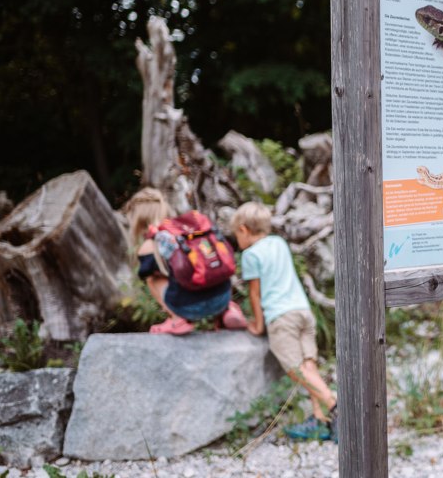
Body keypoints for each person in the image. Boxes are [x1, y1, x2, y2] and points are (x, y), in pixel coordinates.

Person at [229, 201, 339, 442]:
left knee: (295, 368)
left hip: (282, 318)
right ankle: (321, 420)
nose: (237, 239)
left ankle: (335, 407)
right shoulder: (279, 243)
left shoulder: (250, 255)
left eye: (237, 233)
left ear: (244, 230)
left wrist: (258, 325)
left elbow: (255, 294)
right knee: (309, 366)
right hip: (303, 312)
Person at [123, 187, 247, 336]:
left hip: (188, 308)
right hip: (222, 298)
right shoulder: (190, 232)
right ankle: (227, 310)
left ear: (137, 219)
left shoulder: (150, 245)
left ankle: (176, 319)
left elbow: (146, 275)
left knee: (152, 279)